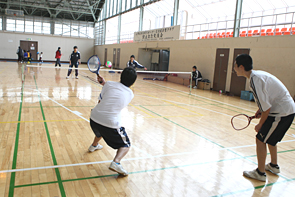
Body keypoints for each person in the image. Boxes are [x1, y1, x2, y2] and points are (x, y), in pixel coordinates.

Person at [234, 54, 295, 182]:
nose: (234, 68)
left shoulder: (255, 80)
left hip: (282, 112)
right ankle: (273, 166)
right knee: (270, 139)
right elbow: (265, 103)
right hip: (284, 110)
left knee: (260, 139)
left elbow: (266, 109)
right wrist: (260, 111)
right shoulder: (256, 76)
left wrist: (260, 124)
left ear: (241, 67)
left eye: (235, 65)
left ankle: (260, 173)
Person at [88, 67, 137, 176]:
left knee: (101, 130)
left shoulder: (108, 84)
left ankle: (94, 145)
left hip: (93, 118)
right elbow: (117, 95)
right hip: (110, 124)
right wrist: (105, 84)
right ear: (133, 82)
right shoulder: (130, 94)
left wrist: (105, 84)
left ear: (121, 76)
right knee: (126, 145)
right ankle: (116, 162)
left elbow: (100, 101)